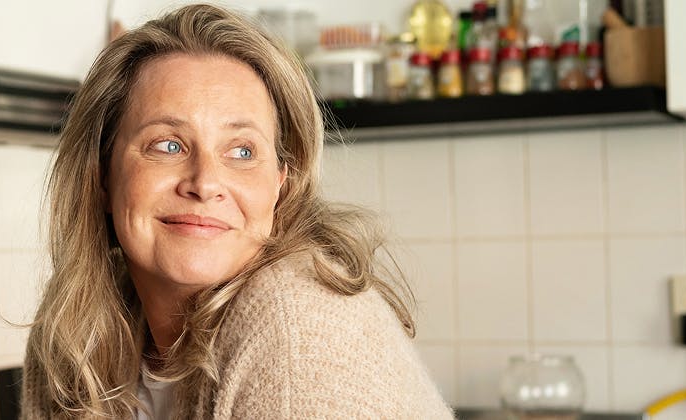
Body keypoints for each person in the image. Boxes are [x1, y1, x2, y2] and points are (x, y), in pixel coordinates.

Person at [22, 4, 453, 419]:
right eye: (168, 145)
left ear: (281, 188)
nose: (205, 183)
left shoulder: (297, 335)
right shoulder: (75, 330)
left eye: (242, 151)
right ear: (102, 176)